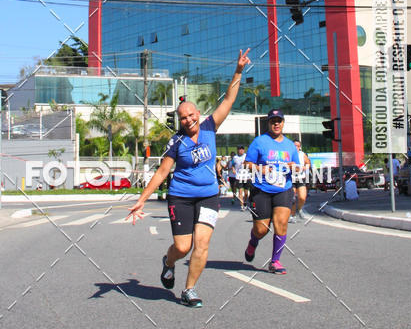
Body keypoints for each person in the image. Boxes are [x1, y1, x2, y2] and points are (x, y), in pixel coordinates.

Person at [126, 48, 251, 307]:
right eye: (184, 117)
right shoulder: (176, 142)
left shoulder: (209, 126)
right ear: (179, 120)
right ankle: (168, 262)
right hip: (181, 198)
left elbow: (228, 100)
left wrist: (238, 70)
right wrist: (142, 200)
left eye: (192, 114)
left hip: (208, 196)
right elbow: (162, 172)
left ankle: (189, 289)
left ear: (198, 113)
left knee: (202, 245)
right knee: (182, 247)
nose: (189, 119)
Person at [243, 109, 299, 275]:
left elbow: (297, 166)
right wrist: (262, 169)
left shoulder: (290, 145)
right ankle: (253, 242)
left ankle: (275, 261)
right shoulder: (259, 142)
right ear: (268, 123)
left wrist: (293, 167)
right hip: (261, 189)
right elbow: (247, 164)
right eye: (273, 121)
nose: (276, 124)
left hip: (284, 189)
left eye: (279, 121)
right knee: (262, 230)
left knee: (281, 223)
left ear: (283, 123)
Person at [290, 139, 311, 221]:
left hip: (301, 178)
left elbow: (308, 163)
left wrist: (305, 167)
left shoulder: (302, 155)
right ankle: (293, 215)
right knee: (293, 198)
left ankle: (299, 209)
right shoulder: (288, 155)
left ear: (300, 147)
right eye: (294, 145)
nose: (296, 147)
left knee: (302, 197)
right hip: (291, 179)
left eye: (298, 146)